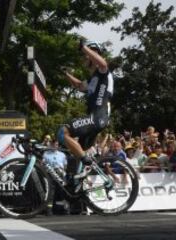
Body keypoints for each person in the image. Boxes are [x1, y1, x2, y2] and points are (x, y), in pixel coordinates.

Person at [57, 38, 114, 166]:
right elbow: (79, 85)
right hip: (95, 118)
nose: (83, 58)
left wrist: (84, 47)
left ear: (93, 54)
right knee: (75, 154)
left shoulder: (103, 73)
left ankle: (87, 162)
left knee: (63, 131)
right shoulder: (92, 79)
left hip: (98, 117)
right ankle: (75, 182)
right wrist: (66, 74)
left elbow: (103, 64)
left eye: (85, 56)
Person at [42, 139, 69, 215]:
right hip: (50, 174)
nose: (55, 146)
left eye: (56, 144)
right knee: (50, 192)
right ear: (50, 145)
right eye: (53, 144)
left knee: (63, 192)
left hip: (61, 175)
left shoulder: (62, 154)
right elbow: (43, 164)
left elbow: (65, 165)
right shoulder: (46, 154)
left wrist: (61, 171)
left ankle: (65, 209)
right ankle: (49, 210)